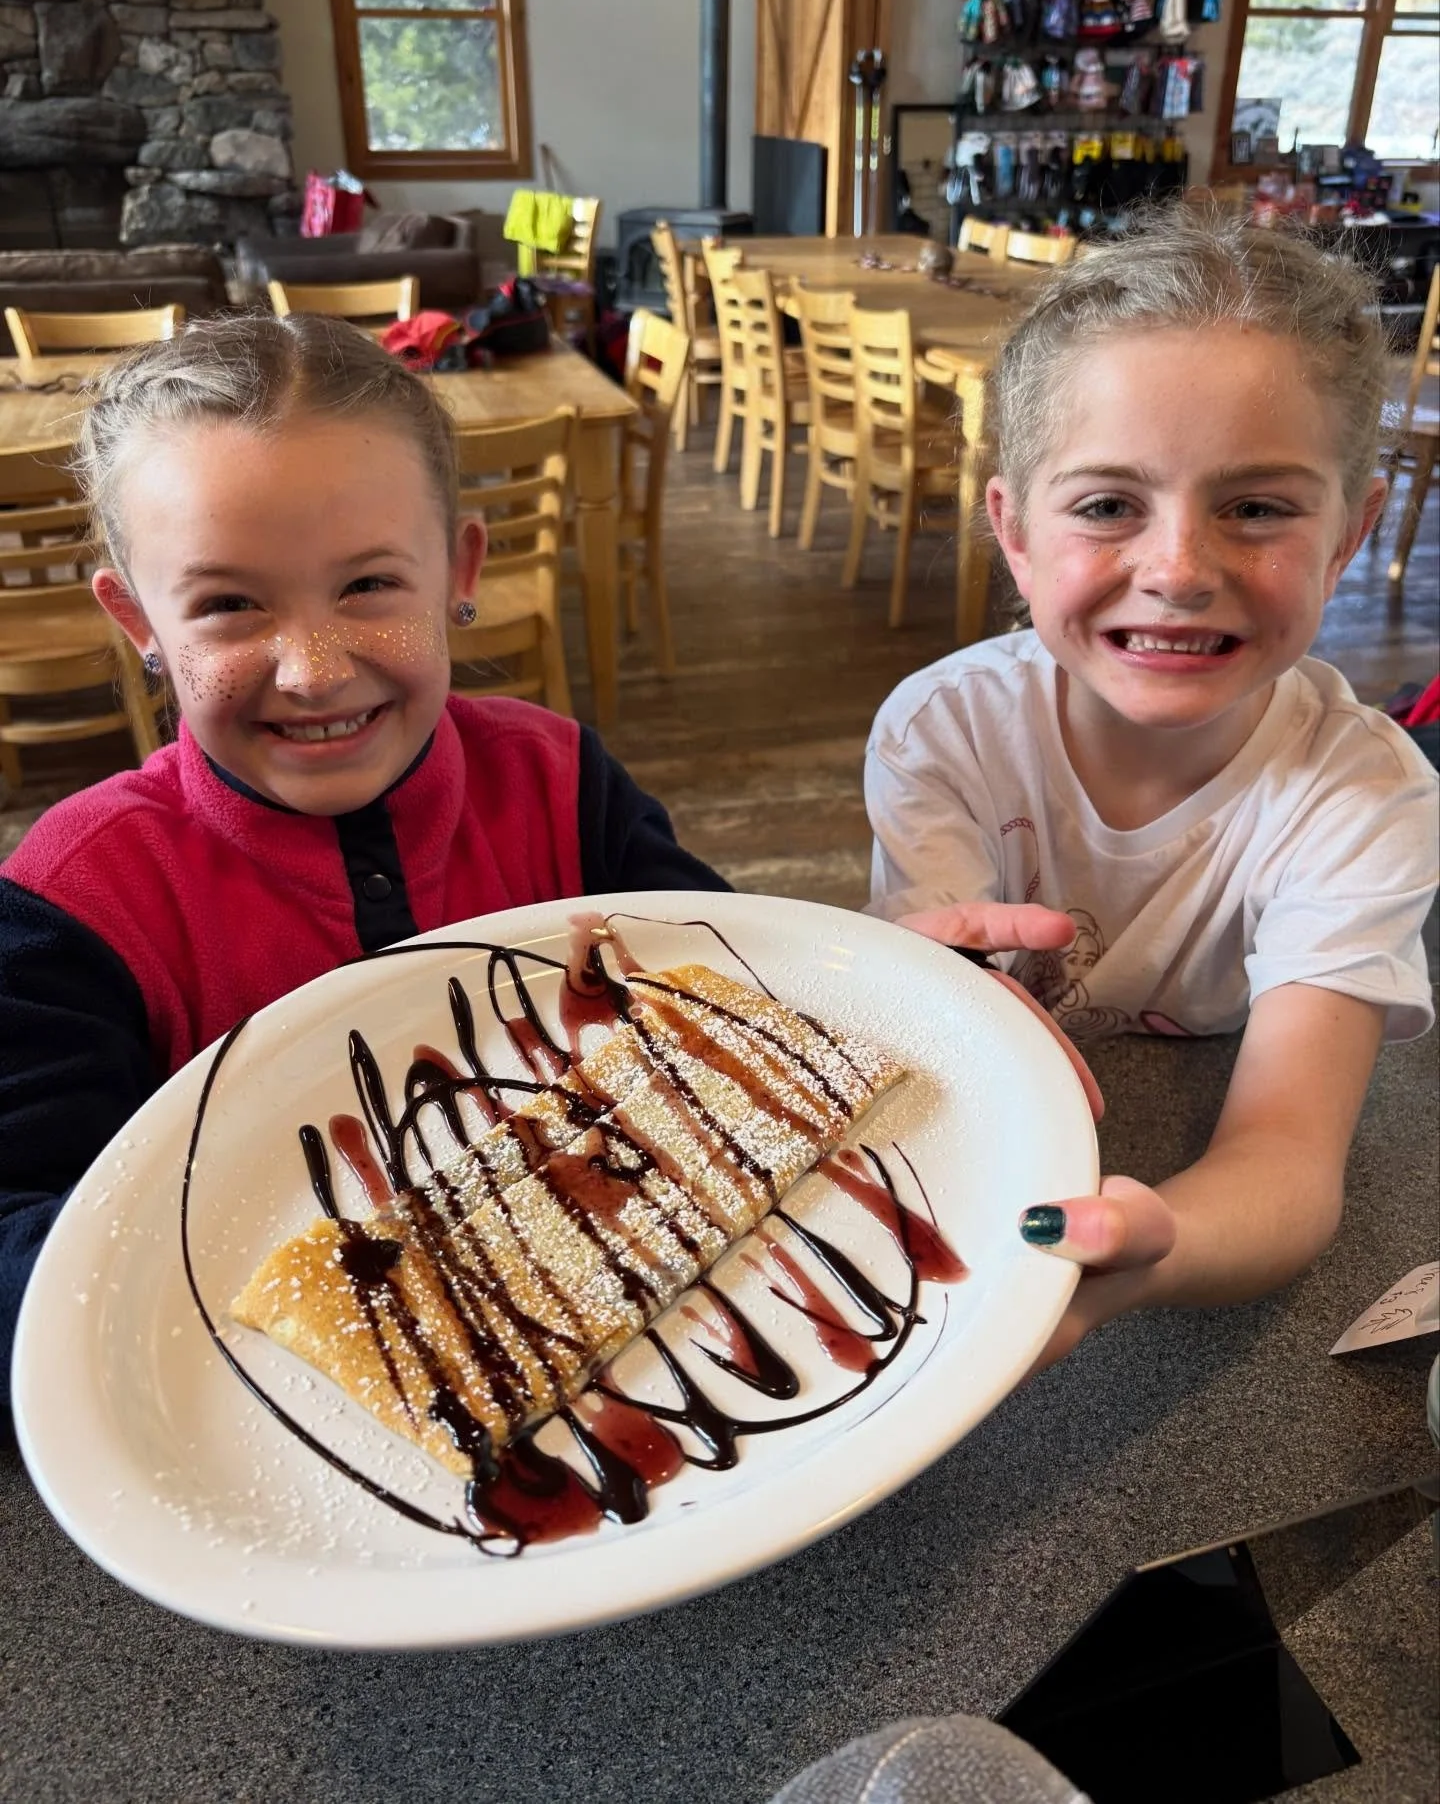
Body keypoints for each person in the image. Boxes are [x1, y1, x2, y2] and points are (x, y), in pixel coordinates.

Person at [0, 313, 727, 1397]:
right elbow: (28, 1260)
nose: (311, 668)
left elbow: (721, 1003)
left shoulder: (559, 781)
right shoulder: (80, 898)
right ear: (138, 620)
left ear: (456, 570)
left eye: (368, 587)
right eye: (228, 604)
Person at [867, 207, 1439, 1368]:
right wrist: (916, 998)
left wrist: (1157, 1246)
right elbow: (933, 1054)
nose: (1178, 570)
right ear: (1014, 533)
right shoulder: (944, 732)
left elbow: (1284, 1157)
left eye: (1259, 507)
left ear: (1349, 535)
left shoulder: (1364, 795)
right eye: (1107, 505)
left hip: (1190, 1180)